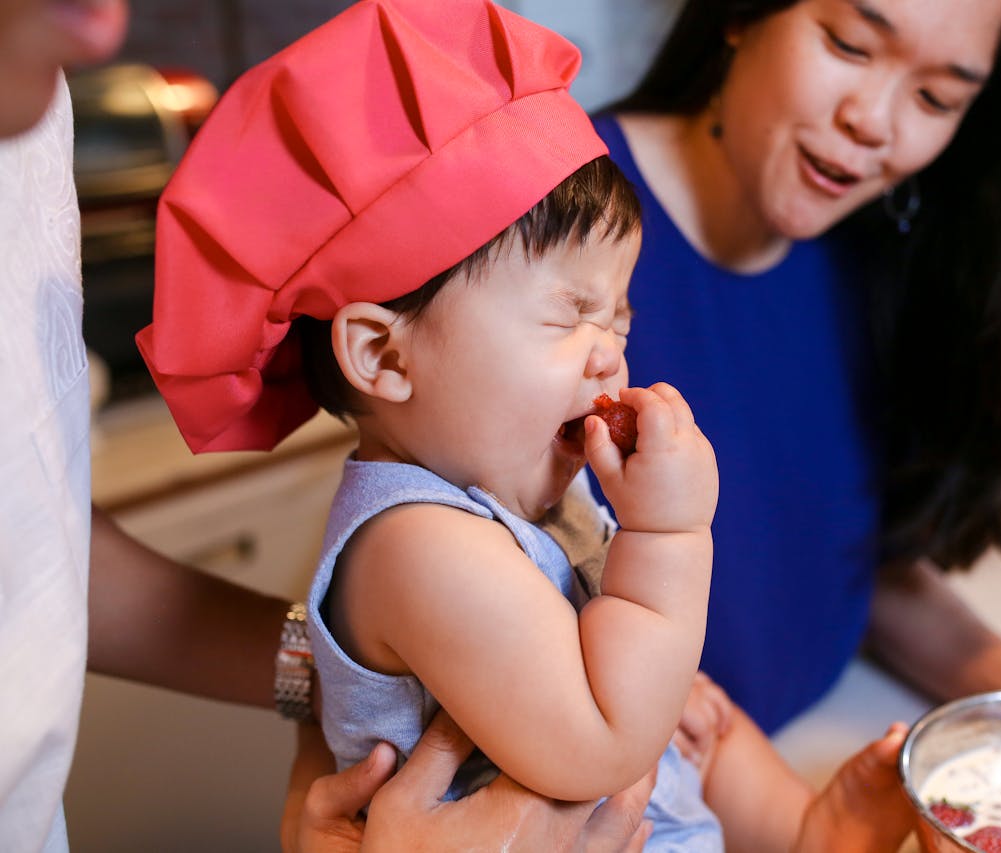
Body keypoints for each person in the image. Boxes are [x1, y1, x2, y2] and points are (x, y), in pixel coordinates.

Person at [0, 0, 654, 850]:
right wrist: (672, 532)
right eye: (569, 316)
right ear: (382, 355)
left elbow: (32, 530)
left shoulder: (28, 104)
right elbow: (607, 739)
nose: (609, 356)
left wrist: (350, 679)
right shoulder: (424, 540)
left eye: (621, 321)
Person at [589, 0, 1001, 744]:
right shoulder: (547, 223)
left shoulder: (881, 258)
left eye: (935, 98)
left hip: (819, 752)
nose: (875, 122)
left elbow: (859, 565)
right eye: (851, 45)